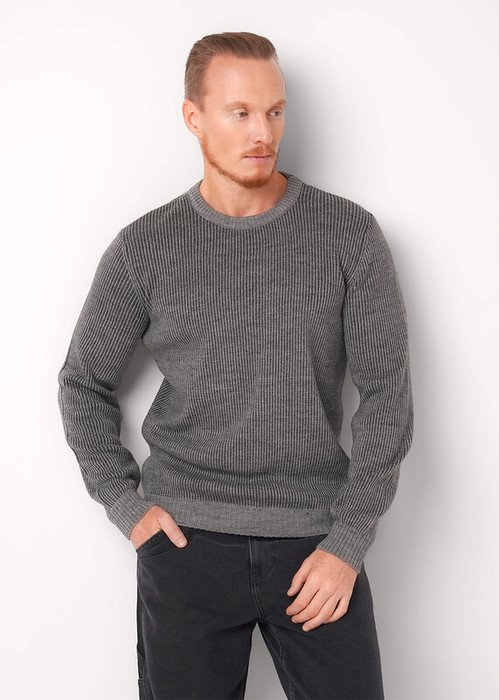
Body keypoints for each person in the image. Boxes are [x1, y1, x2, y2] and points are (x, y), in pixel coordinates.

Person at [57, 31, 413, 700]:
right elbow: (83, 384)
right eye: (240, 112)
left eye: (275, 111)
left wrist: (348, 540)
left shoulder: (348, 235)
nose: (262, 133)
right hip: (185, 547)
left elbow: (386, 394)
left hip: (317, 544)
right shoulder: (145, 248)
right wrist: (126, 506)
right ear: (193, 117)